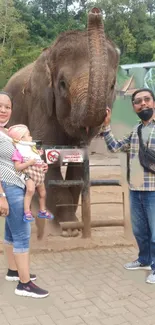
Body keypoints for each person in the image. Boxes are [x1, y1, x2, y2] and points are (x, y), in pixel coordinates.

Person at [102, 88, 155, 284]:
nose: (143, 104)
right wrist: (106, 126)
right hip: (135, 190)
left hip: (153, 191)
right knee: (140, 230)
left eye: (147, 100)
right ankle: (144, 260)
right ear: (134, 107)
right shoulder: (135, 130)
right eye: (138, 101)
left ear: (154, 102)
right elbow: (114, 147)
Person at [0, 90, 49, 297]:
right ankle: (25, 284)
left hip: (16, 184)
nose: (3, 110)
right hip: (8, 187)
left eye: (7, 107)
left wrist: (38, 167)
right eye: (0, 106)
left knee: (11, 232)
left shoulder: (7, 132)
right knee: (22, 234)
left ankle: (14, 271)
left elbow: (17, 159)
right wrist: (1, 195)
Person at [7, 124, 54, 222]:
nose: (31, 137)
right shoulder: (18, 151)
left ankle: (42, 210)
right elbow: (17, 167)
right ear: (21, 138)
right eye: (28, 135)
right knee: (30, 191)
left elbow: (38, 160)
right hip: (29, 175)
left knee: (43, 193)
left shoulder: (32, 149)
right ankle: (27, 212)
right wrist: (29, 163)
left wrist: (44, 165)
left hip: (39, 175)